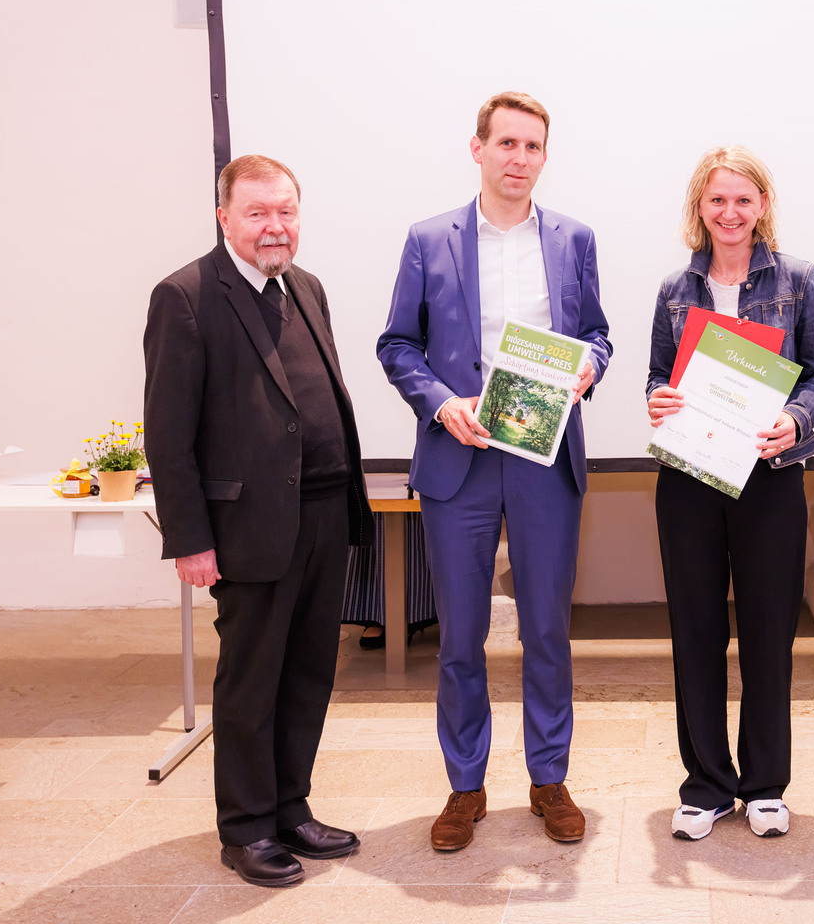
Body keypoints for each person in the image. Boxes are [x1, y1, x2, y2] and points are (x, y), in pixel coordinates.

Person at [378, 91, 612, 852]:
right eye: (507, 143)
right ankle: (465, 786)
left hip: (545, 457)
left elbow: (597, 335)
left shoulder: (574, 239)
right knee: (461, 636)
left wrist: (589, 369)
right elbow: (397, 346)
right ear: (477, 148)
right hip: (461, 458)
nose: (519, 158)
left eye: (532, 146)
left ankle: (549, 779)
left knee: (547, 630)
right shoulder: (429, 239)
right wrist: (441, 403)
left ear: (545, 156)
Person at [144, 154, 374, 886]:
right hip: (248, 527)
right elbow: (167, 434)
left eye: (286, 211)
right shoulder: (185, 296)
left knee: (308, 673)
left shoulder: (305, 286)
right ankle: (245, 828)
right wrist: (189, 539)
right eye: (257, 213)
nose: (275, 226)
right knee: (251, 682)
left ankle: (290, 808)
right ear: (224, 217)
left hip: (324, 514)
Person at [646, 145, 814, 840]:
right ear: (699, 208)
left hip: (770, 477)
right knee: (695, 631)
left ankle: (764, 786)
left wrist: (796, 418)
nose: (730, 212)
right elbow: (656, 376)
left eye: (743, 200)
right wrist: (659, 399)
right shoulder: (675, 289)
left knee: (767, 634)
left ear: (762, 206)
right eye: (717, 200)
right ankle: (705, 785)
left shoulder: (799, 279)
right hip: (690, 478)